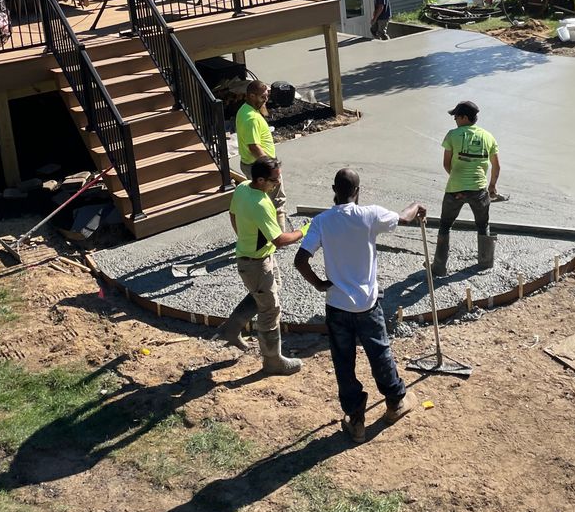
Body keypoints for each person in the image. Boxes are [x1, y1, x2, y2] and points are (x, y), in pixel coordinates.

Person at [294, 168, 426, 443]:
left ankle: (355, 420)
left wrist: (320, 284)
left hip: (337, 305)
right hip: (367, 305)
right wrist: (417, 206)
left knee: (344, 363)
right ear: (358, 191)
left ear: (334, 189)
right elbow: (403, 216)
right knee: (379, 353)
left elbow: (300, 260)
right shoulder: (369, 215)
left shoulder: (322, 221)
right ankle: (395, 402)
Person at [213, 157, 305, 374]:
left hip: (259, 257)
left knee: (267, 292)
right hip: (255, 264)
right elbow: (280, 240)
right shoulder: (261, 204)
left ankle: (232, 328)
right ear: (261, 179)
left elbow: (233, 214)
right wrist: (305, 231)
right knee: (269, 310)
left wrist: (243, 237)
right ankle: (273, 361)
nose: (277, 184)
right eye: (274, 180)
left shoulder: (243, 187)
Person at [435, 100, 500, 276]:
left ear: (464, 117)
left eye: (456, 116)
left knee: (445, 225)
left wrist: (458, 180)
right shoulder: (488, 137)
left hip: (455, 188)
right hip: (479, 189)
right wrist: (492, 186)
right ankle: (485, 263)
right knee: (483, 225)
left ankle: (439, 267)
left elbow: (446, 163)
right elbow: (496, 166)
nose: (454, 119)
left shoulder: (452, 135)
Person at [235, 80, 286, 231]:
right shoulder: (251, 118)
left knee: (260, 199)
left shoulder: (245, 110)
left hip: (251, 164)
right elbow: (254, 146)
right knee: (276, 199)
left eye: (267, 96)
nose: (266, 100)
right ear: (251, 96)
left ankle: (261, 230)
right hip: (260, 166)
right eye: (262, 97)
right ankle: (280, 233)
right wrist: (271, 168)